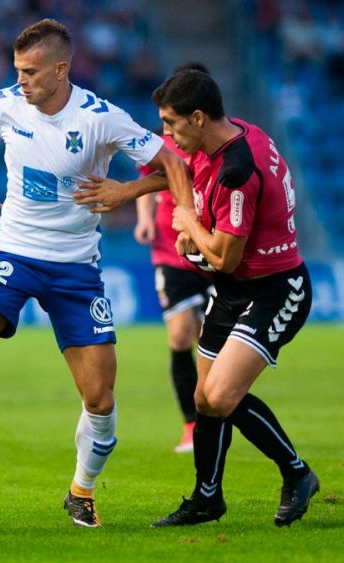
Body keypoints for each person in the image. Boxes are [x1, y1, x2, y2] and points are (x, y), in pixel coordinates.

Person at [0, 19, 193, 528]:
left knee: (100, 396)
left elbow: (174, 166)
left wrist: (125, 192)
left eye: (29, 72)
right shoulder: (5, 104)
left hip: (75, 265)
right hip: (13, 249)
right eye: (17, 70)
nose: (20, 80)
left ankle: (82, 491)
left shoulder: (101, 118)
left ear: (60, 69)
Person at [76, 69, 320, 527]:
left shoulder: (237, 170)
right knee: (205, 399)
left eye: (171, 124)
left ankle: (297, 473)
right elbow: (179, 172)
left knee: (221, 395)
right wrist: (130, 191)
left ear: (199, 117)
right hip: (232, 292)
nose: (166, 135)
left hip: (275, 290)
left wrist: (189, 224)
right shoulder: (231, 137)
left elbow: (224, 258)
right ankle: (207, 498)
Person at [134, 65, 215, 452]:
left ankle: (216, 411)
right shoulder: (160, 142)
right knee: (181, 334)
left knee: (214, 338)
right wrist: (145, 219)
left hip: (213, 248)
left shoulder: (214, 144)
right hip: (171, 249)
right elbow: (150, 181)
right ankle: (190, 424)